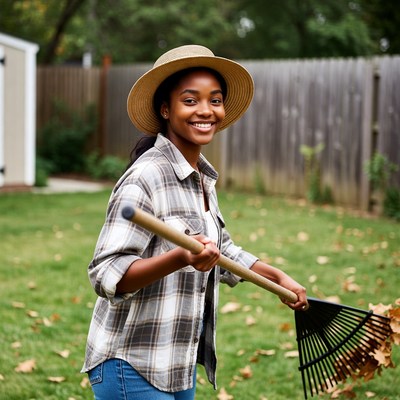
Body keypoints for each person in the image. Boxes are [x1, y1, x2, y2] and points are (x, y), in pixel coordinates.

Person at [82, 44, 308, 400]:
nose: (206, 110)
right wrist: (180, 258)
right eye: (191, 100)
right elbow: (106, 273)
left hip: (177, 360)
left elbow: (222, 249)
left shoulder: (201, 178)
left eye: (215, 100)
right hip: (132, 362)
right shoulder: (146, 177)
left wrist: (276, 276)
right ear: (166, 109)